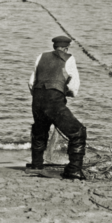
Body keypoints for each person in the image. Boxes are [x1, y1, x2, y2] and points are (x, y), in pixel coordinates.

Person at [28, 35, 87, 180]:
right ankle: (73, 169)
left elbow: (31, 82)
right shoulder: (69, 58)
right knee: (78, 132)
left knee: (40, 130)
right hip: (53, 101)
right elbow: (74, 86)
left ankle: (36, 165)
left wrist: (39, 95)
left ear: (54, 46)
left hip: (37, 99)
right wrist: (65, 93)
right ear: (66, 48)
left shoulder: (41, 56)